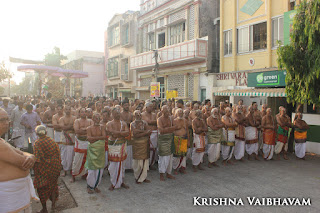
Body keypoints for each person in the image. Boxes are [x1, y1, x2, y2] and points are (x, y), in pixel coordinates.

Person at [0, 108, 39, 213]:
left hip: (15, 197)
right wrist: (30, 157)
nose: (6, 123)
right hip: (10, 199)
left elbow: (22, 153)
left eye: (7, 119)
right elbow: (22, 162)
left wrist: (30, 156)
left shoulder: (2, 140)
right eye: (1, 120)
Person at [33, 125, 61, 213]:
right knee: (53, 186)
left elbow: (37, 159)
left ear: (36, 134)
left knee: (41, 188)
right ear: (46, 132)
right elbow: (58, 154)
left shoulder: (37, 143)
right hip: (54, 166)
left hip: (43, 168)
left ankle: (44, 209)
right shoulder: (52, 141)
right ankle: (53, 206)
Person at [106, 108, 130, 190]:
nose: (118, 114)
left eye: (119, 113)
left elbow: (127, 133)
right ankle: (113, 183)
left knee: (122, 165)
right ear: (112, 114)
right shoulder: (109, 123)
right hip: (114, 147)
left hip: (122, 145)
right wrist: (121, 133)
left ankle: (121, 181)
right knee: (113, 166)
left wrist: (117, 133)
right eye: (116, 113)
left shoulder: (123, 123)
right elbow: (111, 133)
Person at [85, 113, 106, 194]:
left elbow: (104, 137)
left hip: (100, 151)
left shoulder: (102, 127)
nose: (97, 120)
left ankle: (96, 186)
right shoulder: (89, 128)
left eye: (98, 118)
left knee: (100, 169)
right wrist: (99, 139)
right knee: (91, 169)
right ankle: (89, 186)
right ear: (93, 119)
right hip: (92, 151)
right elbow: (89, 139)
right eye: (95, 118)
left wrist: (94, 139)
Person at [71, 108, 93, 182]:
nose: (84, 113)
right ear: (79, 113)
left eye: (85, 112)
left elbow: (92, 130)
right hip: (79, 142)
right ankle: (74, 175)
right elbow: (77, 131)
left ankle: (85, 174)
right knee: (77, 158)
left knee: (88, 158)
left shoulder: (90, 121)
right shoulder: (77, 121)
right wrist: (86, 129)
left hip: (87, 141)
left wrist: (82, 129)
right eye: (82, 112)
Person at [131, 110, 151, 184]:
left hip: (144, 144)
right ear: (134, 116)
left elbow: (149, 131)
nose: (138, 116)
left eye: (139, 115)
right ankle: (137, 177)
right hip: (136, 145)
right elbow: (134, 134)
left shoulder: (145, 123)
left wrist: (139, 132)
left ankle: (143, 177)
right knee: (137, 162)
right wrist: (144, 132)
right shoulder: (132, 124)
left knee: (144, 162)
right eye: (137, 115)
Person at [157, 105, 176, 181]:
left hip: (170, 139)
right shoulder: (159, 119)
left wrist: (166, 129)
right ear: (162, 111)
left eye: (168, 111)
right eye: (165, 111)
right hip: (163, 140)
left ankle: (168, 173)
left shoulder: (171, 118)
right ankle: (161, 174)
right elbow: (161, 131)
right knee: (163, 157)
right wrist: (170, 129)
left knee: (170, 157)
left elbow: (175, 127)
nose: (167, 113)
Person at [59, 105, 76, 177]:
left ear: (71, 110)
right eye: (66, 109)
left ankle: (72, 171)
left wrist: (68, 128)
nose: (68, 110)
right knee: (64, 155)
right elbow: (62, 127)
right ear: (64, 110)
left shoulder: (74, 118)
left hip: (72, 139)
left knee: (72, 155)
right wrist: (71, 126)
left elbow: (75, 128)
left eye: (69, 109)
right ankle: (65, 171)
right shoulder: (61, 119)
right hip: (64, 139)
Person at [142, 102, 158, 169]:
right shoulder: (142, 114)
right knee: (147, 149)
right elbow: (149, 122)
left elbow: (157, 122)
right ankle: (146, 165)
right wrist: (154, 122)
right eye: (150, 106)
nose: (152, 108)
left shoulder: (154, 114)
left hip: (154, 133)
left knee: (153, 149)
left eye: (152, 106)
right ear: (146, 107)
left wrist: (153, 122)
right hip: (147, 134)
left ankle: (151, 163)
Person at [172, 109, 188, 175]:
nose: (180, 114)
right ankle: (175, 168)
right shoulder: (174, 121)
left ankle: (182, 168)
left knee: (183, 155)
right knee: (176, 155)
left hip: (184, 139)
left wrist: (188, 140)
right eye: (178, 112)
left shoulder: (185, 121)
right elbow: (172, 130)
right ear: (176, 114)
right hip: (177, 139)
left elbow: (187, 130)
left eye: (181, 112)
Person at [121, 100, 133, 171]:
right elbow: (122, 123)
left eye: (127, 105)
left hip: (129, 133)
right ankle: (124, 167)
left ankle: (129, 167)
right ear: (122, 106)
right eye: (125, 105)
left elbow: (132, 123)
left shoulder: (131, 114)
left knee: (130, 150)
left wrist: (127, 123)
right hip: (122, 134)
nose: (127, 106)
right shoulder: (120, 114)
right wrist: (128, 123)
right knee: (123, 149)